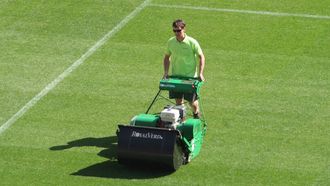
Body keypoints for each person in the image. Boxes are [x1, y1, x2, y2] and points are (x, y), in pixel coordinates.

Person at [163, 19, 205, 119]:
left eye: (178, 30)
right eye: (174, 31)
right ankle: (182, 120)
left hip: (190, 78)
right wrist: (165, 72)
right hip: (176, 77)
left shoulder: (192, 42)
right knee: (178, 102)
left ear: (184, 29)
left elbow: (201, 56)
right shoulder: (171, 42)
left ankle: (196, 114)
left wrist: (201, 73)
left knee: (192, 103)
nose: (176, 33)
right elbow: (166, 57)